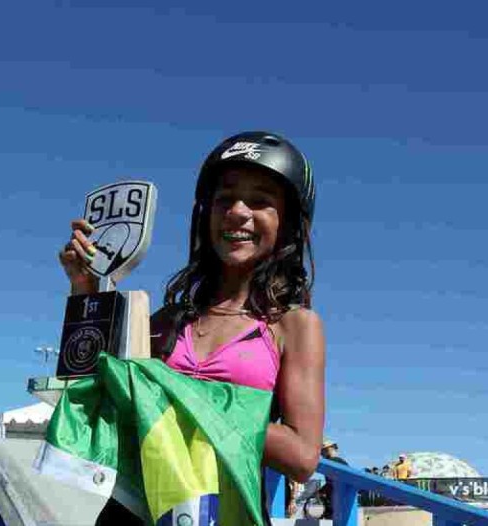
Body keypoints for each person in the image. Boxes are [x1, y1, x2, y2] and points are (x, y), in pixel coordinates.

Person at [59, 131, 325, 524]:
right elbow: (89, 393)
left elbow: (303, 457)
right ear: (206, 215)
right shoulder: (165, 321)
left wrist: (181, 395)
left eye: (260, 201)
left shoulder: (293, 326)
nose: (237, 211)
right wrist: (87, 289)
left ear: (287, 224)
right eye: (224, 198)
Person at [318, 438, 348, 519]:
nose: (321, 454)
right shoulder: (342, 462)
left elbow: (331, 482)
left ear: (329, 449)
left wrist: (321, 491)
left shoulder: (331, 462)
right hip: (343, 499)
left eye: (322, 451)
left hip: (336, 501)